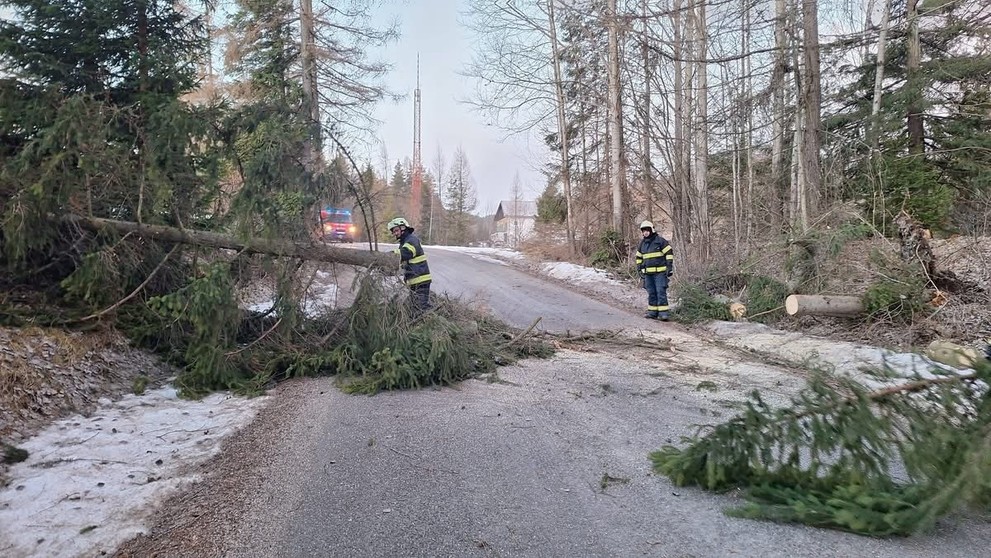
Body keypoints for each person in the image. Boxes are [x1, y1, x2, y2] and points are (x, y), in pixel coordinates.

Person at [388, 217, 432, 315]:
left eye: (396, 230)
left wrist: (390, 255)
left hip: (421, 282)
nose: (395, 233)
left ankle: (432, 323)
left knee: (420, 311)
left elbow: (406, 253)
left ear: (403, 227)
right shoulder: (404, 242)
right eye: (393, 232)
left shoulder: (412, 240)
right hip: (415, 282)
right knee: (416, 309)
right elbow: (403, 264)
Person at [635, 221, 674, 320]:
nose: (645, 233)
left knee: (660, 291)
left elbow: (669, 253)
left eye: (647, 230)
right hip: (648, 274)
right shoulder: (642, 244)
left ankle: (663, 313)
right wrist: (640, 268)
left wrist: (669, 267)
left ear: (651, 230)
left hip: (660, 273)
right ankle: (652, 312)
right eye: (644, 231)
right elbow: (638, 257)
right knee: (651, 292)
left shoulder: (660, 241)